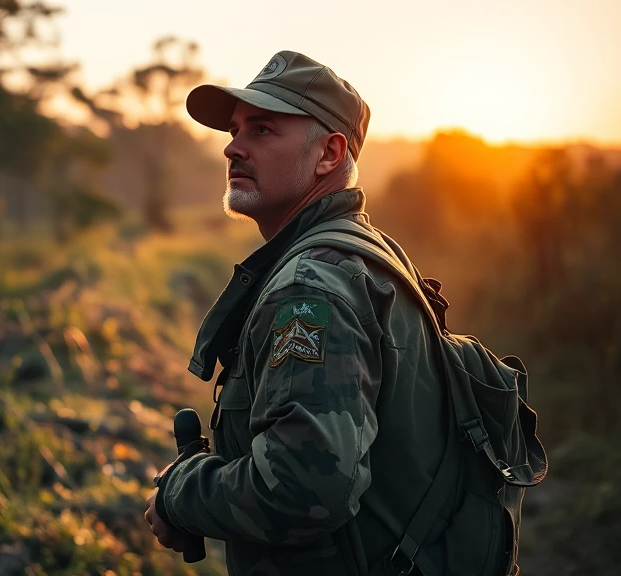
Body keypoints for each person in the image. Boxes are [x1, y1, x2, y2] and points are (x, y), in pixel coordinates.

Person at [143, 51, 516, 576]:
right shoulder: (370, 254)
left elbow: (304, 486)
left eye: (263, 129)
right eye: (234, 129)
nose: (233, 146)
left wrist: (181, 494)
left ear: (329, 153)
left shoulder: (311, 286)